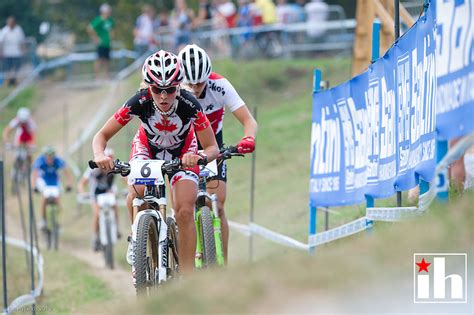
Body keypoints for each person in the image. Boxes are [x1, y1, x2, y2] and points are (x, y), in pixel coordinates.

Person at [92, 50, 219, 275]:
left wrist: (198, 157)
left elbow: (212, 148)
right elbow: (100, 136)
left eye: (169, 89)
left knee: (185, 209)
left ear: (178, 86)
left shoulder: (190, 105)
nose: (163, 96)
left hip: (183, 151)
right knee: (138, 191)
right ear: (148, 87)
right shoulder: (139, 101)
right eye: (157, 90)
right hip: (148, 148)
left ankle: (188, 277)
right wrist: (101, 155)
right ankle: (137, 240)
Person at [178, 44, 258, 263]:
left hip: (214, 146)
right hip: (184, 148)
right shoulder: (174, 90)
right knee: (183, 207)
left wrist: (248, 138)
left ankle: (223, 263)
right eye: (190, 83)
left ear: (208, 77)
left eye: (199, 82)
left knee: (218, 205)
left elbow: (248, 120)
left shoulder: (220, 85)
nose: (194, 88)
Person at [78, 147, 121, 251]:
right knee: (97, 214)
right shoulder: (93, 169)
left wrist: (129, 188)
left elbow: (125, 179)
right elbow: (81, 183)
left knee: (115, 206)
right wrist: (82, 193)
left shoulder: (115, 168)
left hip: (108, 191)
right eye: (108, 160)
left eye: (112, 159)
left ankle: (117, 228)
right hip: (96, 193)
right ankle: (95, 237)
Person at [31, 146, 74, 231]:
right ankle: (43, 220)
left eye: (51, 156)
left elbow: (67, 172)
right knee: (45, 198)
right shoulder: (40, 161)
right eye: (48, 156)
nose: (50, 159)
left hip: (54, 182)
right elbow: (35, 173)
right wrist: (34, 186)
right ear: (45, 156)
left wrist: (69, 184)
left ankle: (56, 221)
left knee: (58, 201)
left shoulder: (58, 160)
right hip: (43, 181)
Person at [87, 3, 114, 79]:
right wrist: (95, 38)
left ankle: (107, 76)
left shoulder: (110, 20)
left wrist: (111, 37)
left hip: (107, 44)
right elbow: (90, 28)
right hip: (101, 44)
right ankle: (97, 77)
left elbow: (111, 29)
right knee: (99, 60)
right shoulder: (99, 20)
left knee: (107, 60)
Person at [0, 16, 25, 86]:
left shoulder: (19, 30)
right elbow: (1, 42)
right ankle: (9, 81)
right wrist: (1, 52)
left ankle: (13, 80)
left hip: (17, 53)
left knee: (16, 68)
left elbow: (22, 41)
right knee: (8, 69)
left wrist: (23, 50)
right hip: (7, 54)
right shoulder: (4, 30)